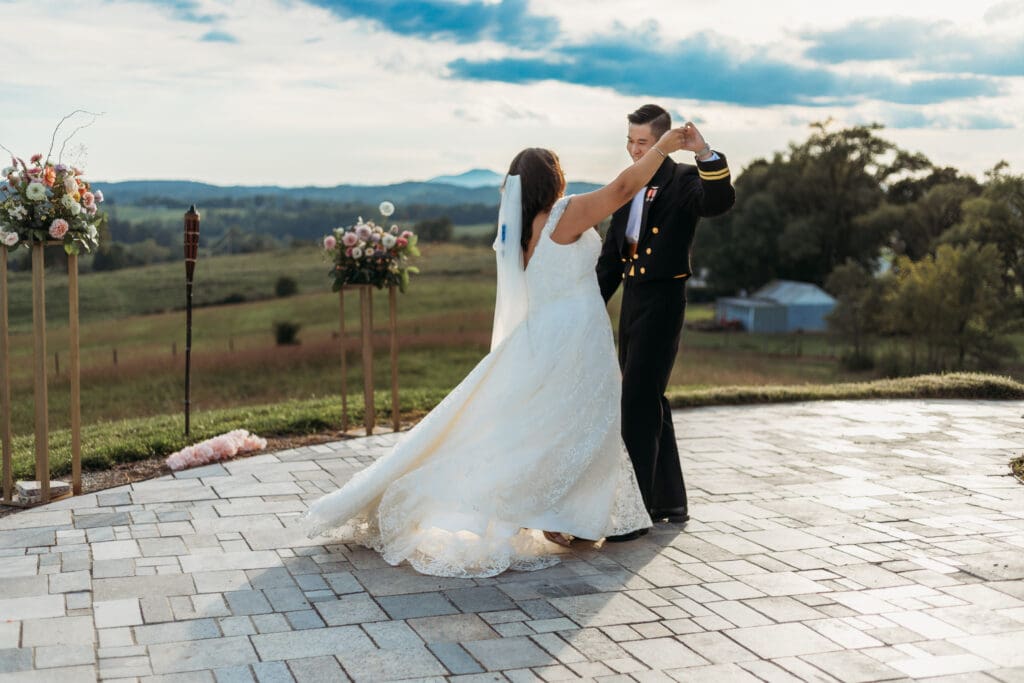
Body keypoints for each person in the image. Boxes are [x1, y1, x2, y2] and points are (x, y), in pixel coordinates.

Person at [303, 124, 693, 578]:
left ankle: (568, 517)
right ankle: (566, 517)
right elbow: (626, 186)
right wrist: (663, 146)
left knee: (554, 430)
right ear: (553, 180)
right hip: (576, 336)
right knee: (586, 426)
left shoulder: (518, 232)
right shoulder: (564, 215)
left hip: (543, 334)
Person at [596, 105, 736, 541]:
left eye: (643, 142)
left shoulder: (682, 181)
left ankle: (632, 512)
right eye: (631, 142)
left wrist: (705, 154)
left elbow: (719, 201)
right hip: (634, 301)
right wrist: (583, 303)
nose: (635, 150)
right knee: (648, 396)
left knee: (636, 400)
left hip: (664, 299)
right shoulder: (629, 185)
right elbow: (613, 258)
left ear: (660, 142)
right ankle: (669, 500)